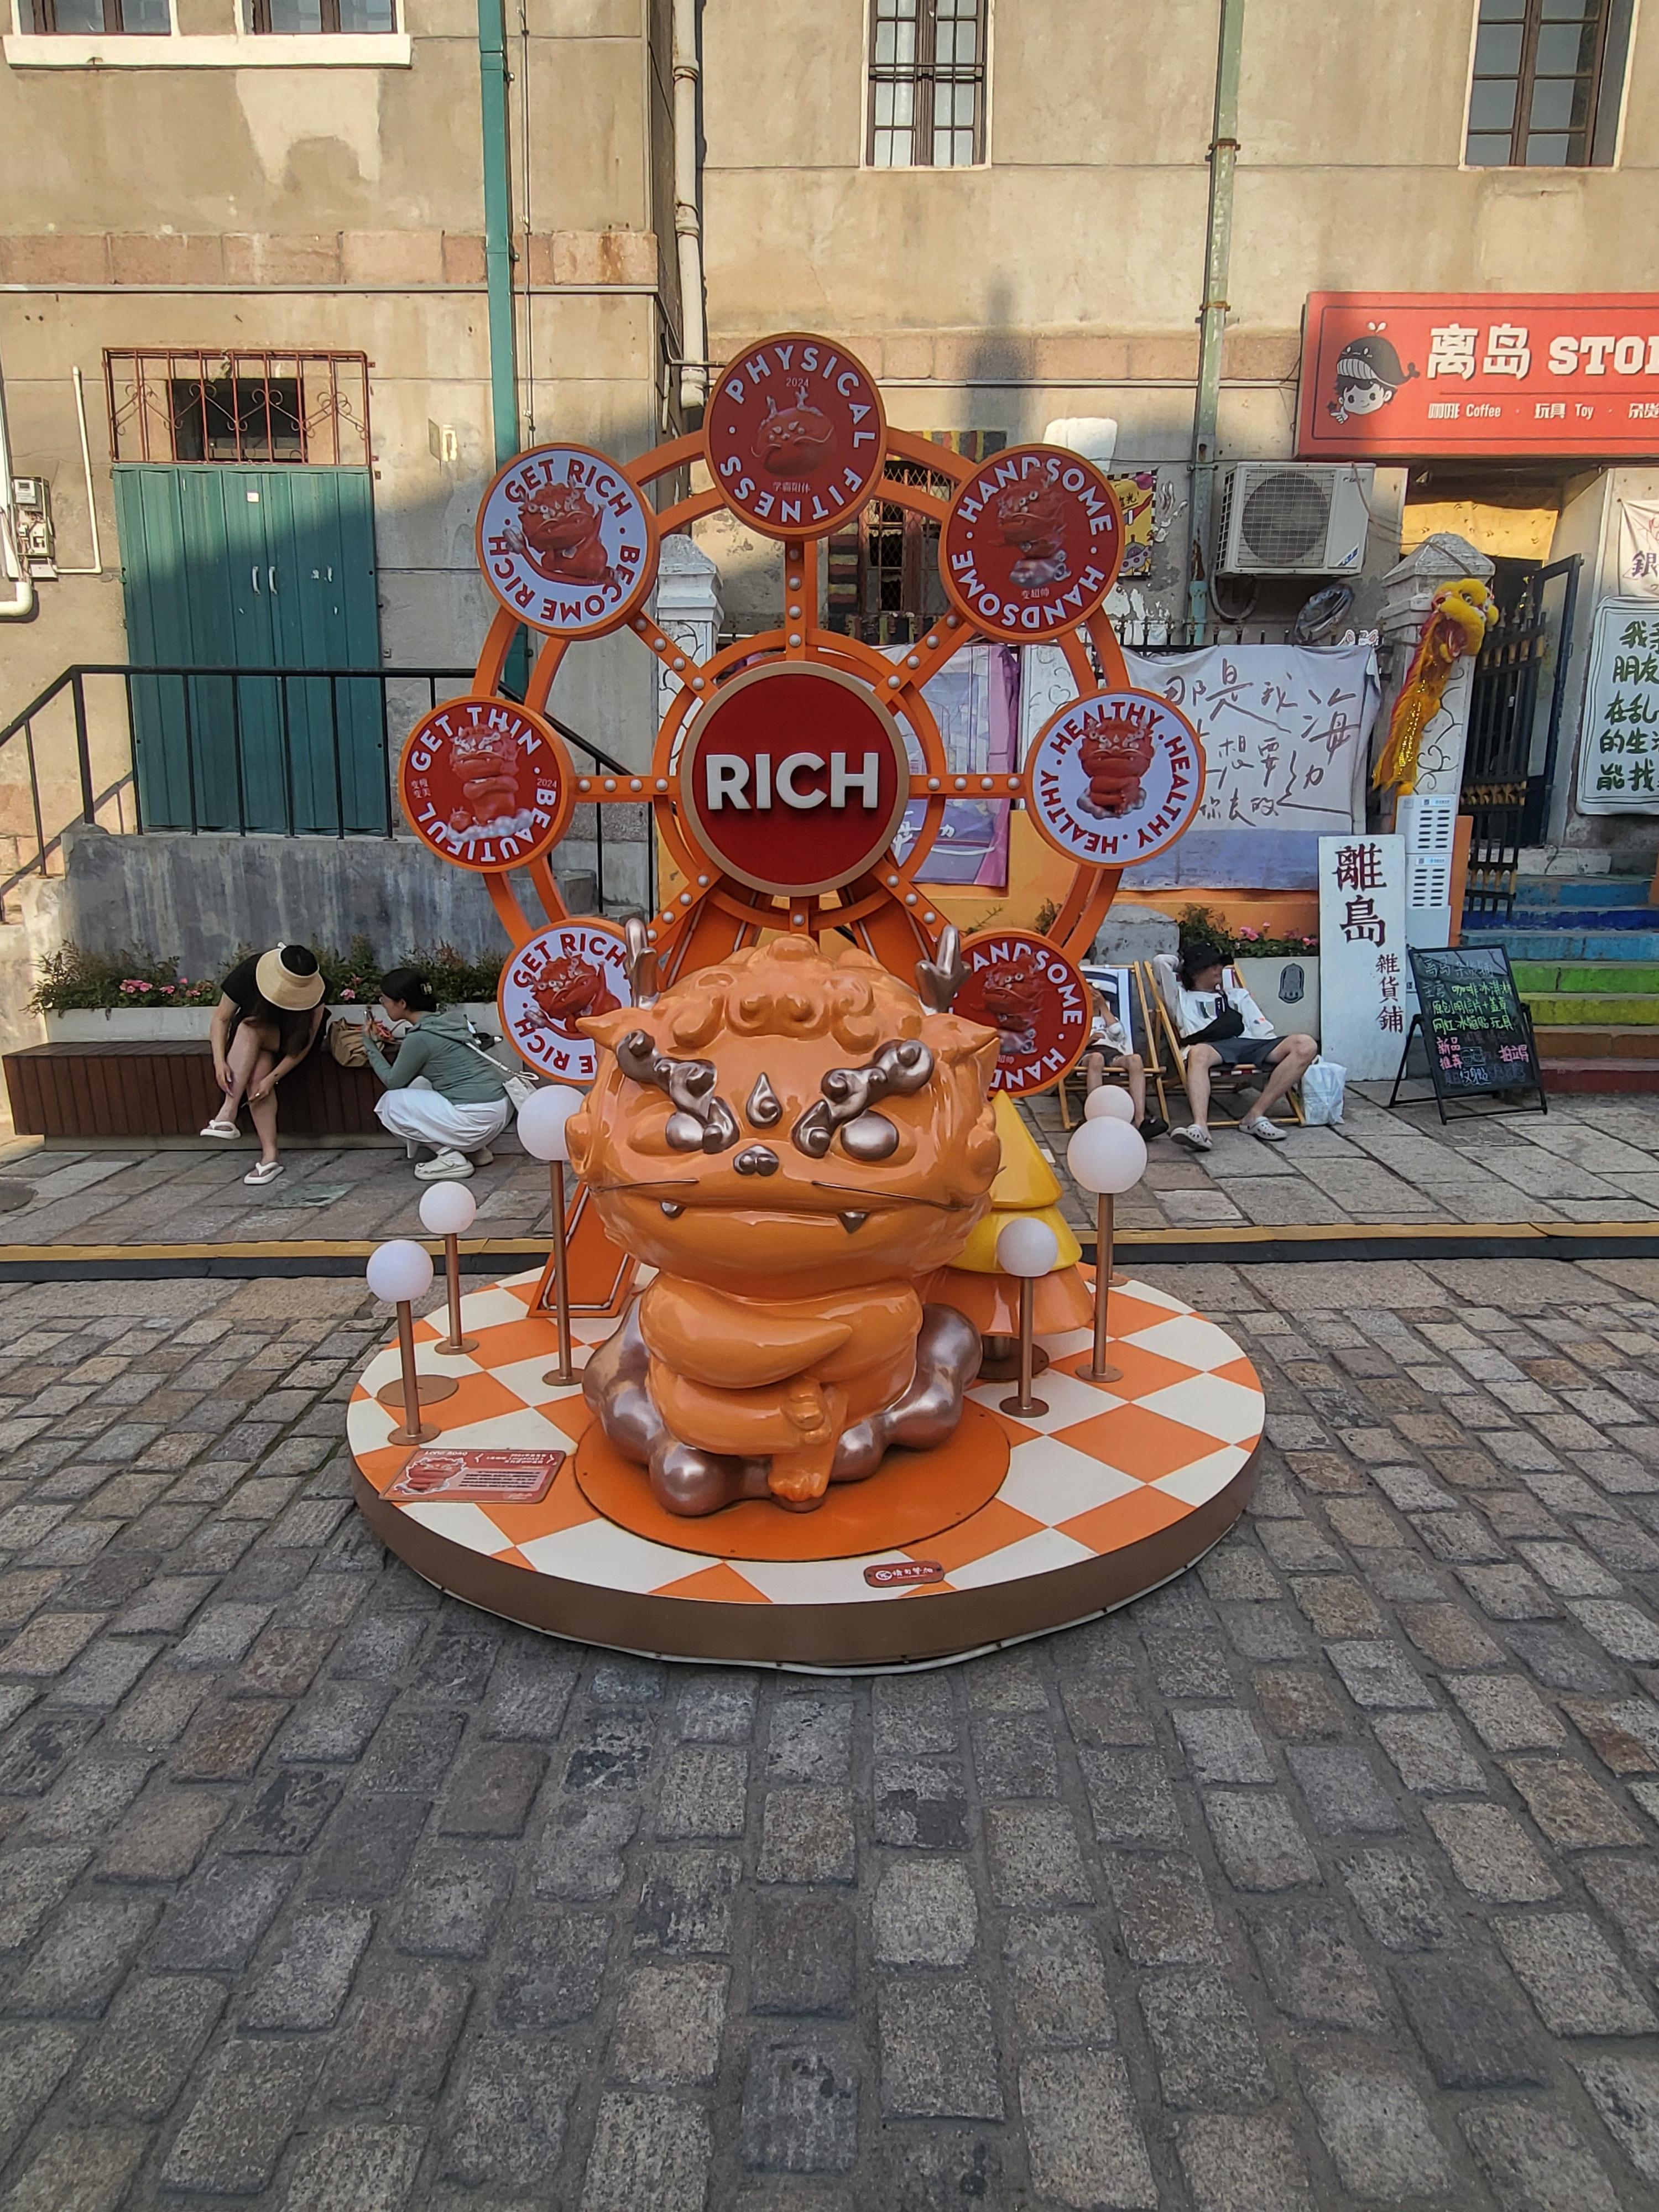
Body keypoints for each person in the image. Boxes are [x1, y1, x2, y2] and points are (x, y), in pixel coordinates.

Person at [361, 966, 511, 1182]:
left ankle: (451, 1158)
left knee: (391, 1104)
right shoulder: (448, 1022)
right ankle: (476, 1151)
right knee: (419, 1085)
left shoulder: (419, 1038)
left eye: (384, 1000)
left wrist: (370, 1045)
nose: (383, 1005)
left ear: (402, 1003)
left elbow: (393, 1081)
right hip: (499, 1110)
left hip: (476, 1117)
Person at [1168, 940, 1317, 1151]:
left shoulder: (1236, 995)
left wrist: (1275, 1059)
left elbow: (1262, 1029)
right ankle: (1200, 1127)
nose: (1219, 969)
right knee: (1198, 1053)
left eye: (1220, 964)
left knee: (1306, 1044)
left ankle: (1255, 1115)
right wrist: (1183, 963)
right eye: (1211, 965)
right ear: (1194, 973)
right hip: (1212, 1047)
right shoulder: (1181, 998)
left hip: (1251, 1044)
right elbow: (1161, 963)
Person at [200, 942, 328, 1187]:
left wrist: (274, 1078)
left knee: (253, 1038)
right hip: (248, 1043)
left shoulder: (317, 991)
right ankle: (270, 1155)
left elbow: (305, 1044)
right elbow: (221, 1018)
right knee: (257, 1066)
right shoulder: (249, 972)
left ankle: (228, 1112)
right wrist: (219, 1062)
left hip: (289, 1045)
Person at [1082, 984, 1167, 1139]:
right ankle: (1094, 1117)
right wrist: (1088, 1041)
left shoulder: (1107, 1017)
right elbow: (1069, 1048)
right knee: (1097, 1058)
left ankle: (1140, 1120)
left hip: (1112, 1054)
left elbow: (1118, 1033)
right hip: (1088, 1055)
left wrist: (1103, 1007)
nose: (1092, 997)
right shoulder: (1077, 1019)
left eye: (1095, 994)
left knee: (1136, 1059)